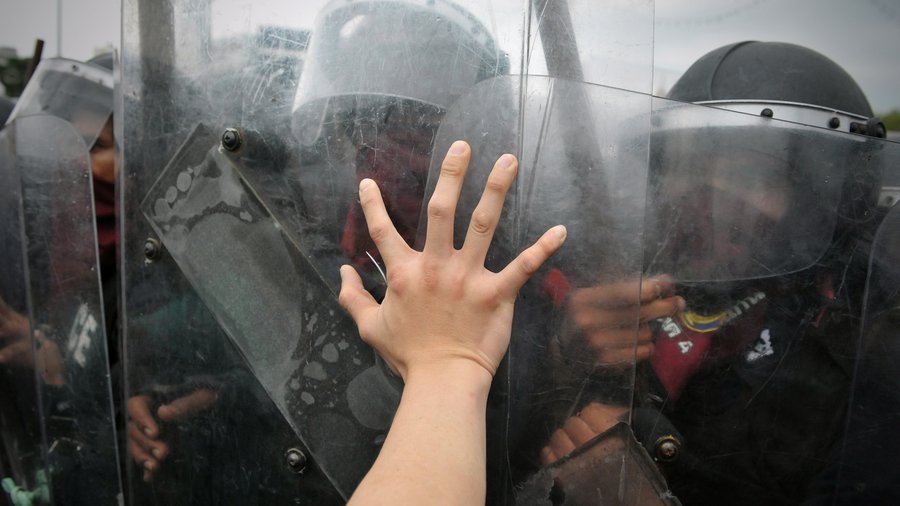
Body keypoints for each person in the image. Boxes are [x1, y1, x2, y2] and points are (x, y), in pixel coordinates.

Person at [540, 41, 893, 505]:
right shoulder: (609, 275)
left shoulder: (868, 349)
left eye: (751, 174)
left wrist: (639, 495)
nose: (705, 199)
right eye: (687, 168)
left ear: (823, 200)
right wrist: (564, 358)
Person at [339, 140, 566, 504]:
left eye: (421, 137)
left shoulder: (537, 287)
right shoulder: (324, 248)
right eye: (383, 144)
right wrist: (448, 359)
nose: (397, 164)